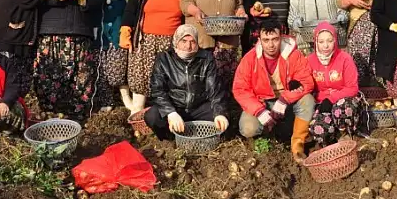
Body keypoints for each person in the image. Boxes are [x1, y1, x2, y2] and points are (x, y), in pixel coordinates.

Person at [34, 0, 104, 119]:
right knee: (51, 76)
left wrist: (84, 0)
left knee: (82, 77)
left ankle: (77, 117)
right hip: (53, 33)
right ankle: (51, 115)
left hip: (81, 33)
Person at [233, 20, 315, 163]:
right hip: (261, 102)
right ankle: (268, 137)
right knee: (248, 128)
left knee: (308, 100)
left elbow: (306, 82)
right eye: (266, 40)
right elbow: (240, 89)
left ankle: (297, 145)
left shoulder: (294, 55)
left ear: (281, 38)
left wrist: (285, 99)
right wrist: (258, 110)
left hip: (286, 102)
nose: (271, 45)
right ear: (259, 40)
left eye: (275, 39)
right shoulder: (250, 59)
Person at [85, 0, 145, 111]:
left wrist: (133, 1)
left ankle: (123, 93)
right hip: (97, 17)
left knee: (118, 56)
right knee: (99, 58)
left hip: (119, 15)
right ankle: (105, 98)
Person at [120, 0, 183, 114]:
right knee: (141, 78)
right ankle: (137, 113)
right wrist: (126, 30)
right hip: (145, 40)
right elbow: (131, 8)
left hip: (170, 42)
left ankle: (162, 115)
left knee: (165, 80)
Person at [143, 25, 229, 140]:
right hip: (175, 106)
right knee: (152, 116)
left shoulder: (206, 58)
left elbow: (214, 89)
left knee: (223, 119)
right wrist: (170, 112)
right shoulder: (164, 59)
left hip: (198, 108)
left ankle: (202, 136)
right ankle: (170, 139)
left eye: (192, 42)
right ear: (176, 41)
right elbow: (157, 90)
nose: (188, 46)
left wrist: (219, 113)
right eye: (184, 41)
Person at [181, 0, 246, 97]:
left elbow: (238, 4)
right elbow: (185, 1)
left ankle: (223, 102)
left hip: (227, 34)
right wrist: (196, 11)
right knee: (202, 69)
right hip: (203, 33)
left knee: (224, 72)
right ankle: (201, 100)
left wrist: (240, 11)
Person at [307, 22, 365, 145]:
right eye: (321, 42)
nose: (325, 46)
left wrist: (331, 99)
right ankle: (331, 138)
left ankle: (346, 134)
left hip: (344, 99)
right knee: (318, 128)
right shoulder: (310, 60)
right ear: (315, 42)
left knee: (343, 108)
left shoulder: (345, 58)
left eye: (329, 41)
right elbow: (306, 84)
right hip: (322, 102)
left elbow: (352, 88)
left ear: (335, 41)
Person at [336, 0, 385, 87]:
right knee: (359, 67)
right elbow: (340, 0)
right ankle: (359, 97)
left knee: (378, 66)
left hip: (380, 28)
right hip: (358, 29)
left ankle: (379, 100)